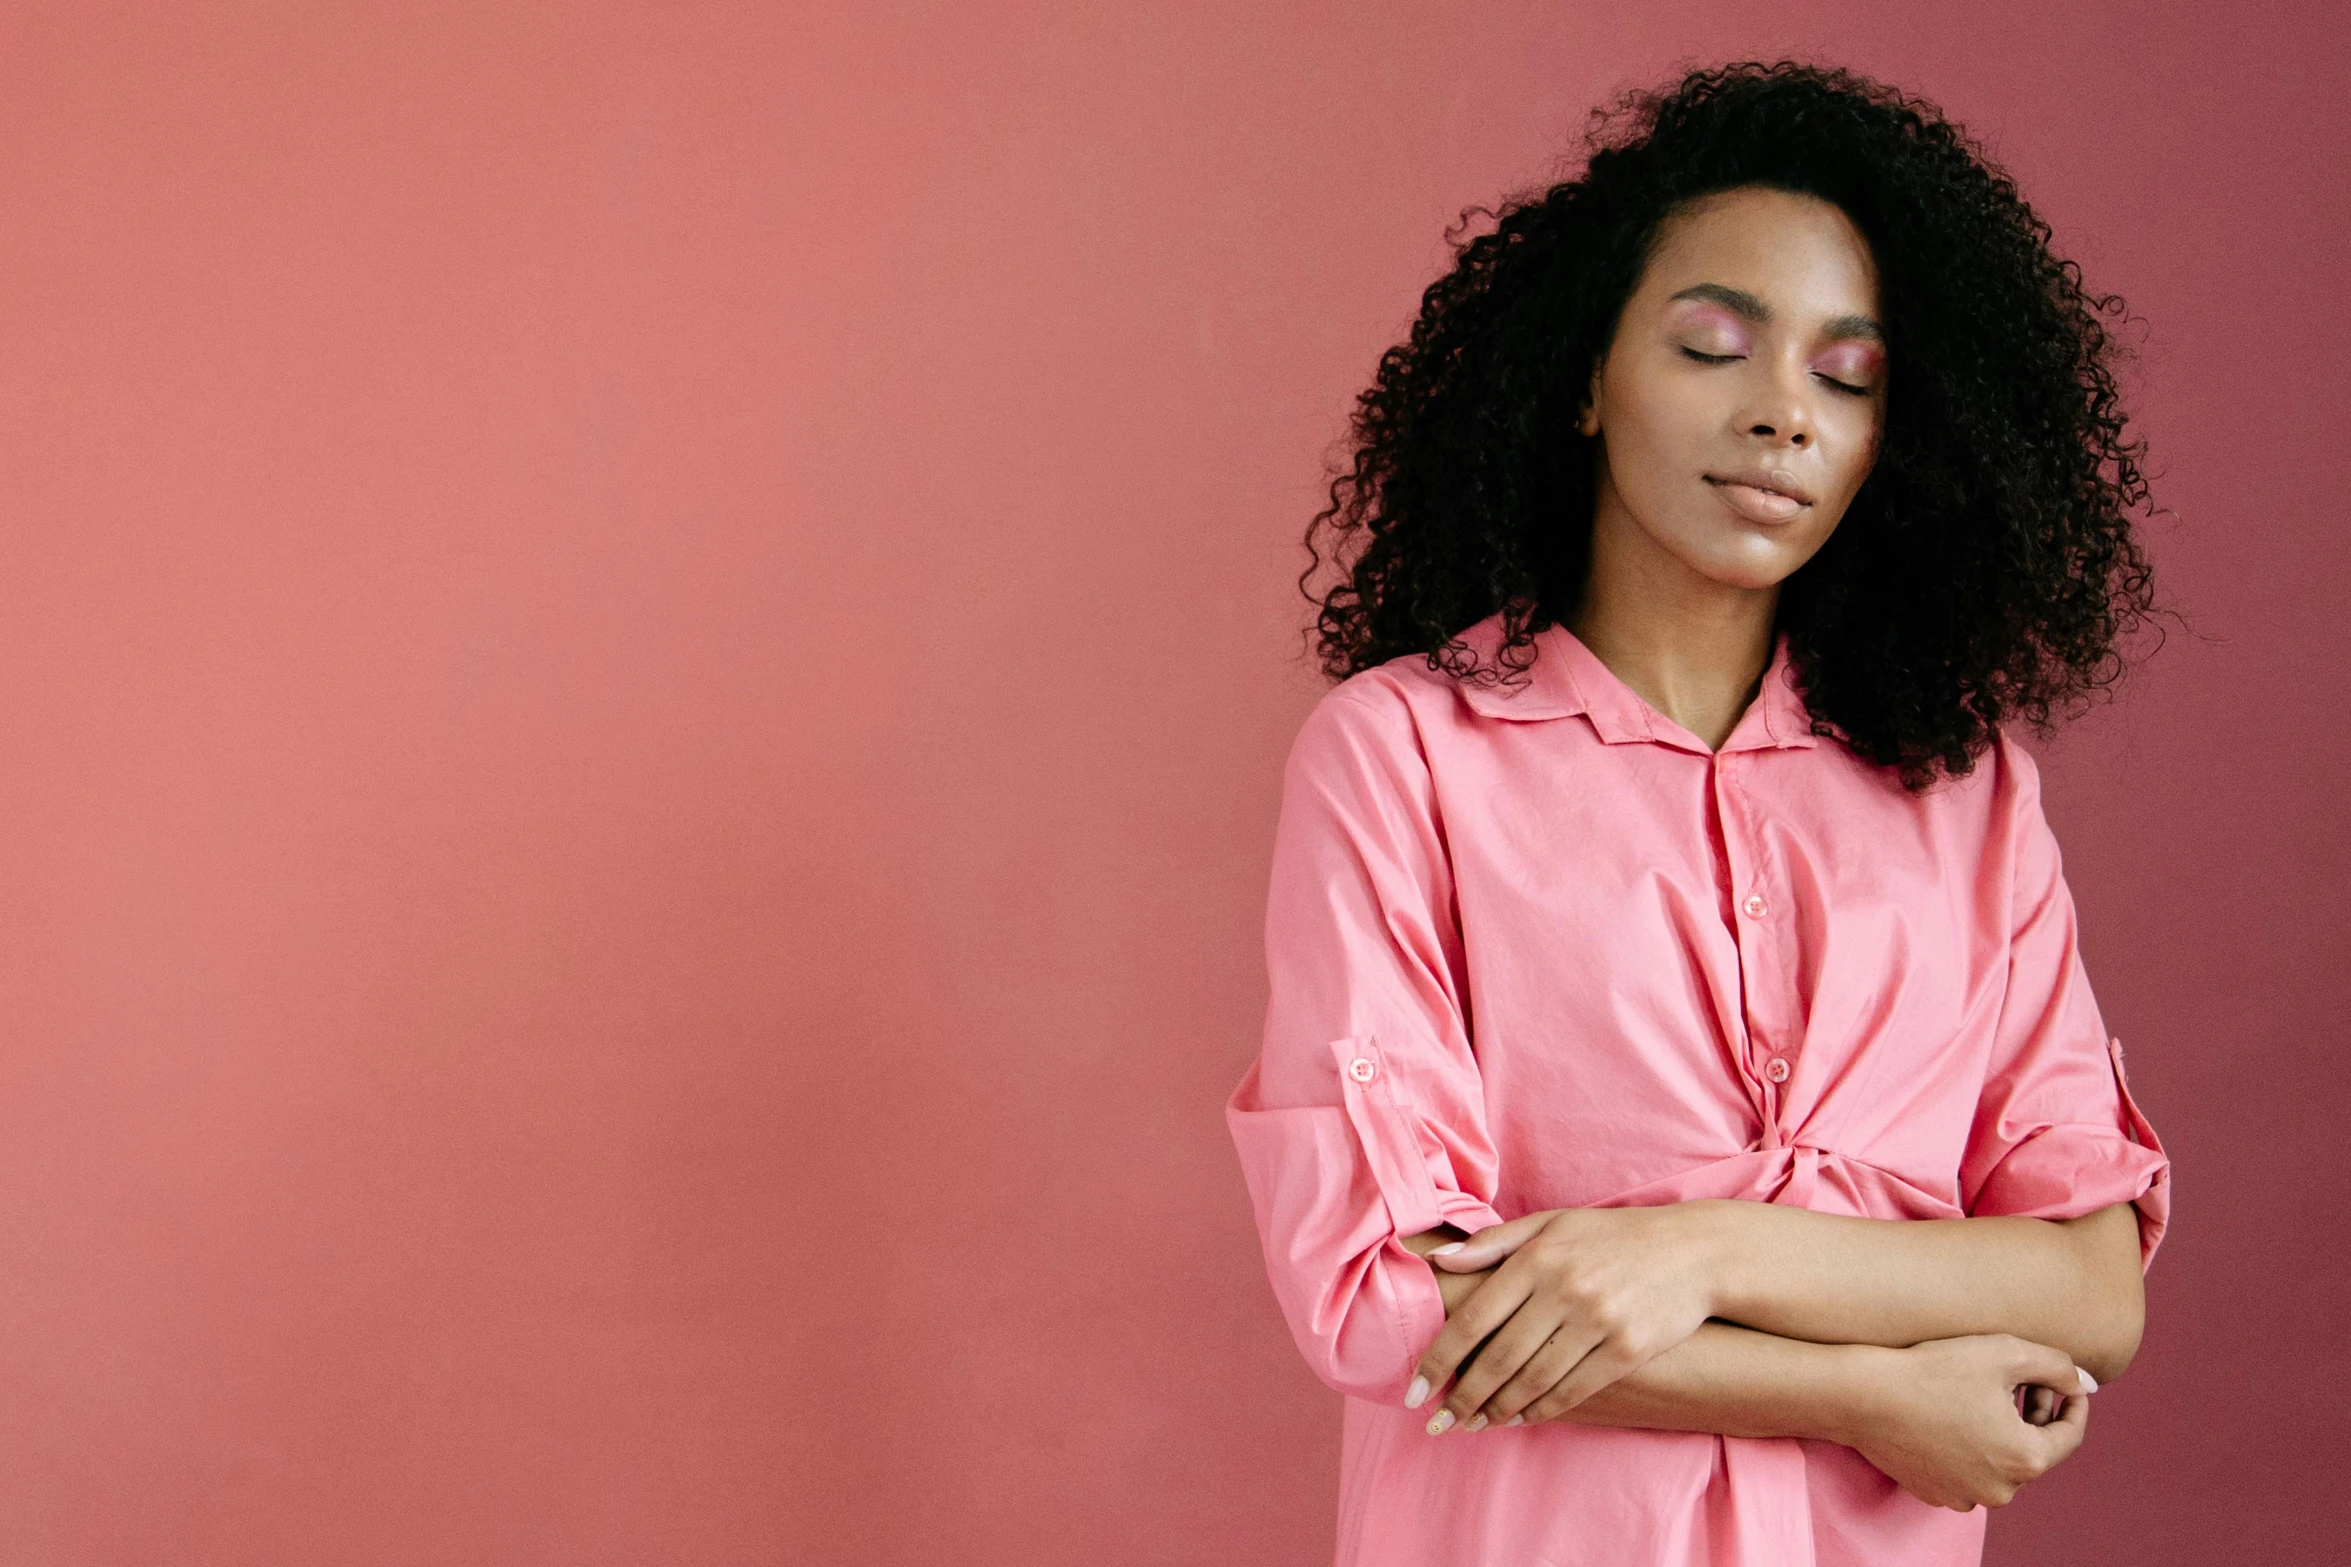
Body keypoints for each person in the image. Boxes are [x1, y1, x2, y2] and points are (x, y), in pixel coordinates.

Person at [1224, 61, 2172, 1567]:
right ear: (1585, 381)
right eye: (1714, 347)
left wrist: (1698, 1249)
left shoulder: (1967, 787)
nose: (1783, 416)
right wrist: (1874, 1391)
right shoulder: (1401, 753)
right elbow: (1384, 1292)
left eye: (1847, 378)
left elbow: (2089, 1284)